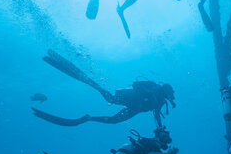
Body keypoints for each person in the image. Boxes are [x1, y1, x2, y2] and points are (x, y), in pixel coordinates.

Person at [33, 50, 176, 127]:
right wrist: (148, 92)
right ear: (165, 88)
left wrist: (159, 127)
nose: (170, 94)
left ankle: (89, 118)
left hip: (134, 107)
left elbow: (156, 114)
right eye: (170, 91)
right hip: (130, 98)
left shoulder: (161, 102)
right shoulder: (153, 86)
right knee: (109, 98)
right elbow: (135, 84)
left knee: (114, 120)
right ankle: (92, 83)